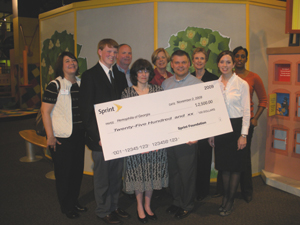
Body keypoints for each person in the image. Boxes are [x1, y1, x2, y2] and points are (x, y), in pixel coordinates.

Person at [79, 39, 129, 224]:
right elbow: (86, 110)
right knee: (102, 177)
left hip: (118, 136)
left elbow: (125, 106)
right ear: (100, 52)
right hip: (100, 139)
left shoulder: (120, 75)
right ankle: (102, 210)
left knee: (116, 175)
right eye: (109, 51)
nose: (112, 55)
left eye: (115, 52)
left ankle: (114, 206)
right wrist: (98, 137)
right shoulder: (89, 75)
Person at [121, 58, 169, 224]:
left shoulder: (158, 91)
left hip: (155, 143)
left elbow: (162, 118)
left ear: (150, 73)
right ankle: (139, 206)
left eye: (146, 71)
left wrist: (156, 141)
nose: (143, 74)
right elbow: (126, 121)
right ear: (135, 74)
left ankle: (148, 205)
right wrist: (139, 142)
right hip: (136, 144)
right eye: (140, 71)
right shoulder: (127, 93)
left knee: (151, 173)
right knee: (138, 175)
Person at [41, 52, 87, 219]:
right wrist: (50, 136)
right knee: (64, 173)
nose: (72, 63)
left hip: (79, 135)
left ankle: (74, 201)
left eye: (73, 60)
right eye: (67, 61)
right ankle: (66, 206)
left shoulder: (81, 84)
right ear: (61, 65)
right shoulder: (55, 85)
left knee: (76, 171)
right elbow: (45, 112)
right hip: (61, 138)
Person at [208, 50, 250, 216]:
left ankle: (230, 201)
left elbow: (247, 111)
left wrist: (243, 134)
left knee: (235, 168)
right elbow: (212, 111)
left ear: (233, 64)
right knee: (224, 167)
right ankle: (225, 198)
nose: (224, 65)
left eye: (228, 62)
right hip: (220, 128)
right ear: (218, 64)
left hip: (236, 127)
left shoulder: (242, 84)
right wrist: (212, 133)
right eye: (222, 62)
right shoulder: (214, 85)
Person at [162, 50, 201, 219]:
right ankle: (177, 201)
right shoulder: (165, 84)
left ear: (189, 64)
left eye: (183, 62)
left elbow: (202, 112)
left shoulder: (197, 84)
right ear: (172, 64)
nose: (180, 66)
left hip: (188, 138)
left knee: (187, 173)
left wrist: (197, 135)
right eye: (176, 63)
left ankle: (187, 204)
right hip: (170, 136)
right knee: (174, 172)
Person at [233, 46, 267, 202]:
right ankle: (228, 190)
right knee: (230, 156)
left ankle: (247, 190)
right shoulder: (228, 76)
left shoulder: (254, 77)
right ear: (233, 58)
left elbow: (263, 100)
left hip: (247, 123)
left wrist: (256, 118)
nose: (239, 59)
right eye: (237, 56)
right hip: (230, 123)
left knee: (244, 157)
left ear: (246, 59)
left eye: (242, 56)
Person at [191, 47, 219, 201]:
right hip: (192, 126)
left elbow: (215, 106)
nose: (199, 61)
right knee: (191, 160)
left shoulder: (214, 79)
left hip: (207, 126)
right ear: (192, 61)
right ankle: (192, 189)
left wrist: (212, 132)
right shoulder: (187, 78)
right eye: (196, 58)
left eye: (202, 58)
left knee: (205, 158)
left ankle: (203, 191)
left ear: (205, 61)